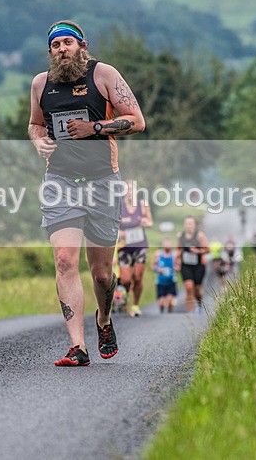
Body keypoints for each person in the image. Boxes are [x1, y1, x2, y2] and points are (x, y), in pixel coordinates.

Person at [28, 20, 146, 367]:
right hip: (60, 181)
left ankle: (104, 320)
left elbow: (136, 121)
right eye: (55, 45)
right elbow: (35, 124)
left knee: (102, 274)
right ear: (50, 52)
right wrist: (39, 141)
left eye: (68, 42)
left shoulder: (104, 75)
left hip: (102, 182)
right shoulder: (41, 83)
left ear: (82, 45)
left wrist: (93, 127)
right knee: (65, 260)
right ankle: (77, 347)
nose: (62, 49)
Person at [117, 180, 153, 317]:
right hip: (124, 246)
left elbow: (150, 222)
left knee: (137, 277)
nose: (130, 193)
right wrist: (119, 233)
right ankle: (126, 294)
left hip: (140, 245)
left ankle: (136, 305)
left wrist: (145, 223)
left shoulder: (142, 205)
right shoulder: (118, 206)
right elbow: (113, 225)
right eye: (127, 190)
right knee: (125, 280)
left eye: (132, 189)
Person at [175, 215, 210, 313]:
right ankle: (190, 311)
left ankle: (199, 303)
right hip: (186, 265)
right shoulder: (180, 236)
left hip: (198, 266)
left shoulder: (199, 235)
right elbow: (178, 249)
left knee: (197, 290)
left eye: (190, 223)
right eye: (187, 223)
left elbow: (207, 250)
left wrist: (197, 251)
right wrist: (177, 260)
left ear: (194, 225)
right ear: (184, 225)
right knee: (189, 287)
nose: (189, 225)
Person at [152, 238, 177, 313]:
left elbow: (178, 265)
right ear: (162, 245)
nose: (167, 245)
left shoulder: (174, 255)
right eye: (165, 244)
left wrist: (176, 268)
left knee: (170, 302)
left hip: (171, 281)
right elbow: (153, 265)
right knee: (161, 303)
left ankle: (169, 314)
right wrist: (157, 269)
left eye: (169, 244)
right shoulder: (158, 254)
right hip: (161, 281)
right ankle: (162, 313)